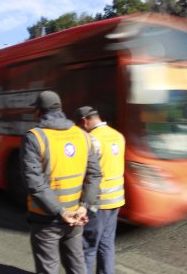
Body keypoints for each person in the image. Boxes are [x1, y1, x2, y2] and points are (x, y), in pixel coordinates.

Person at [21, 91, 102, 274]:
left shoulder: (35, 137)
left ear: (39, 112)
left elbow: (34, 183)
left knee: (48, 268)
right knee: (77, 266)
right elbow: (95, 175)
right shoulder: (82, 135)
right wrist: (84, 207)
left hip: (46, 218)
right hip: (76, 216)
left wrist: (60, 211)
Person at [75, 106, 126, 274]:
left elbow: (86, 172)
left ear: (85, 121)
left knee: (88, 248)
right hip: (117, 200)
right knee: (107, 245)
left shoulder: (92, 139)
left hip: (98, 203)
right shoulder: (118, 136)